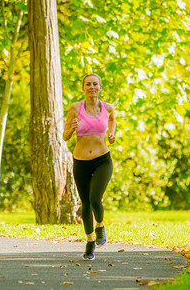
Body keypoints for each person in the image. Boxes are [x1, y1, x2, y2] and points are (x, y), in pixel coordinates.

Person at [63, 73, 116, 260]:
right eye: (88, 84)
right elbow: (65, 136)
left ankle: (100, 225)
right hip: (80, 161)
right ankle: (89, 242)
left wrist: (111, 134)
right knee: (85, 203)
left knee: (95, 198)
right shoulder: (75, 108)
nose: (92, 87)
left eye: (95, 84)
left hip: (102, 160)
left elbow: (111, 121)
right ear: (83, 87)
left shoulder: (108, 108)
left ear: (100, 87)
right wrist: (72, 127)